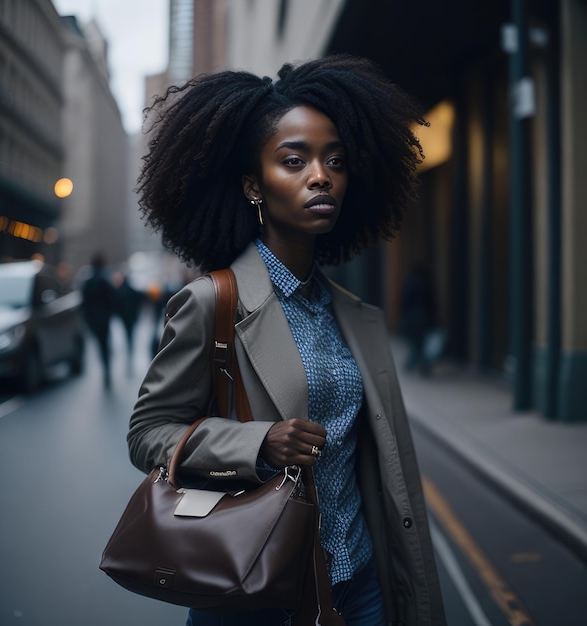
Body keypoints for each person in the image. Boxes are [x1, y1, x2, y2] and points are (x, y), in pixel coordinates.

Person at [128, 55, 446, 626]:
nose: (320, 175)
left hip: (362, 583)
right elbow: (147, 434)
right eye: (294, 160)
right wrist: (256, 443)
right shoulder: (213, 303)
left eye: (335, 160)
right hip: (261, 587)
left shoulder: (358, 317)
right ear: (254, 185)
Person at [81, 252, 116, 388]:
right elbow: (111, 299)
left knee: (101, 345)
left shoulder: (88, 282)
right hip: (104, 318)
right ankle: (107, 369)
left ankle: (105, 367)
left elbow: (84, 303)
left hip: (94, 320)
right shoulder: (104, 280)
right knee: (105, 344)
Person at [401, 264, 435, 376]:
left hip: (412, 316)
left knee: (417, 344)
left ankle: (415, 365)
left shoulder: (409, 281)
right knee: (419, 344)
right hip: (422, 317)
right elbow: (430, 301)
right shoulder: (425, 283)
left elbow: (405, 300)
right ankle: (422, 366)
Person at [112, 270, 144, 374]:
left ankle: (129, 352)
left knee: (128, 335)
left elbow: (116, 304)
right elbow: (139, 300)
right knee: (130, 335)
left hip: (125, 318)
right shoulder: (132, 290)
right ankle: (130, 351)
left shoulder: (119, 290)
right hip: (131, 317)